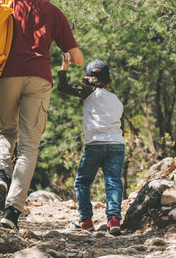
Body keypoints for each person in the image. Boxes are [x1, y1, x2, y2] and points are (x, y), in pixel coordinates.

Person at [0, 0, 83, 231]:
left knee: (6, 132)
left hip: (4, 75)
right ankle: (11, 214)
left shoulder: (7, 0)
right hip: (39, 79)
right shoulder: (55, 13)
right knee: (29, 147)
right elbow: (78, 58)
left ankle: (3, 174)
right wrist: (66, 55)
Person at [57, 56, 125, 236]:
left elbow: (63, 87)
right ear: (108, 79)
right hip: (117, 144)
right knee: (113, 182)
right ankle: (114, 220)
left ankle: (86, 221)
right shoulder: (116, 100)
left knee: (82, 182)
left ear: (88, 78)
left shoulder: (88, 92)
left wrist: (64, 66)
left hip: (95, 144)